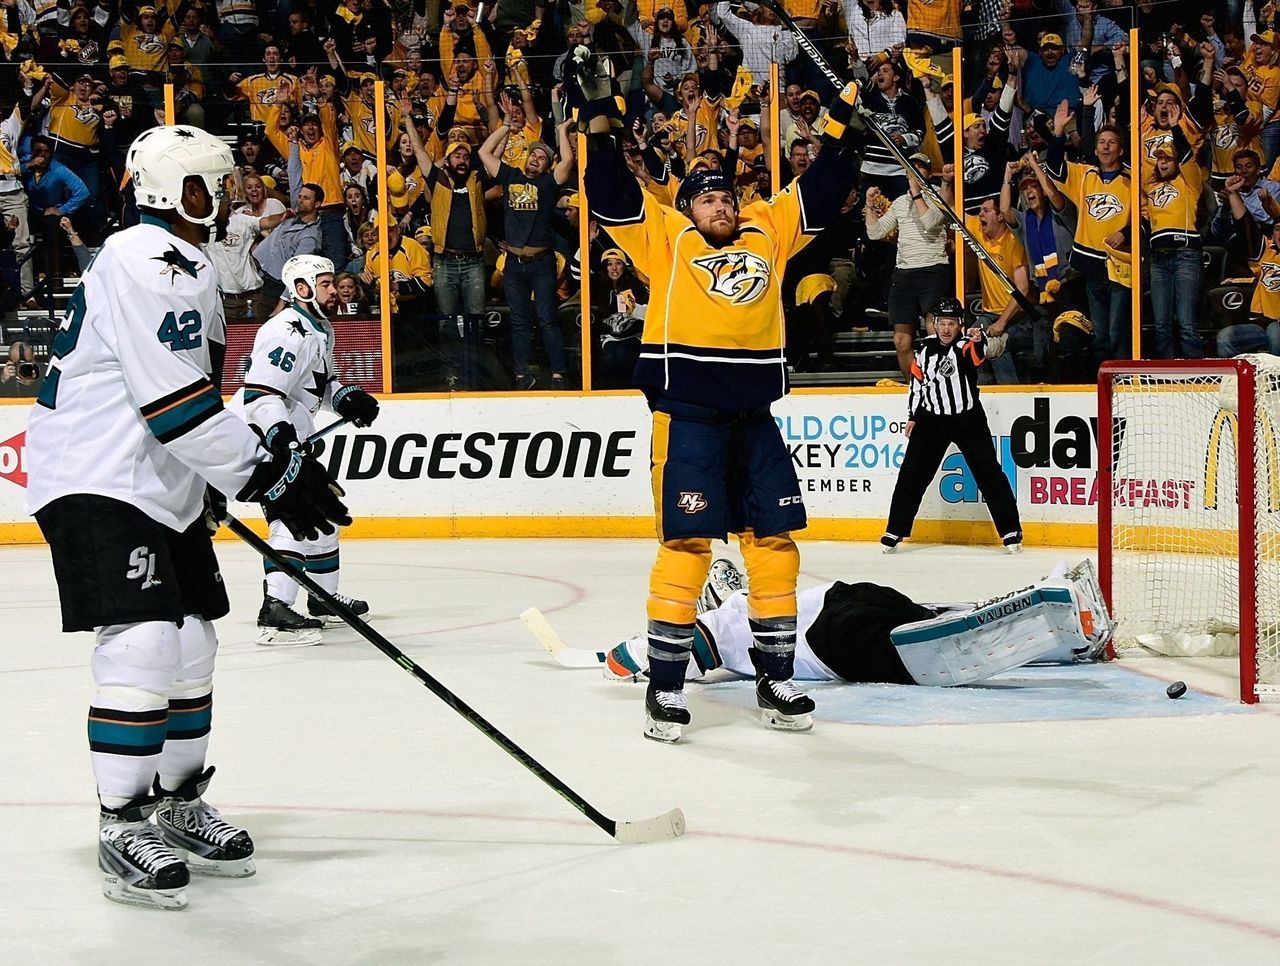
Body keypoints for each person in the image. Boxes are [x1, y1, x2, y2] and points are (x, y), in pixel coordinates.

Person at [24, 125, 350, 911]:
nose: (224, 197)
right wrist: (262, 473)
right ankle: (122, 817)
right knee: (141, 640)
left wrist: (213, 478)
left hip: (153, 475)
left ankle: (176, 800)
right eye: (207, 185)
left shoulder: (184, 263)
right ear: (169, 188)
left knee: (192, 641)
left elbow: (181, 397)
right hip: (99, 474)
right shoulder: (149, 258)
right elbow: (173, 404)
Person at [580, 48, 863, 742]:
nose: (721, 204)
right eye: (708, 196)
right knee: (686, 545)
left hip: (754, 416)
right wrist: (596, 127)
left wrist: (844, 128)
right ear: (687, 207)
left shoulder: (766, 229)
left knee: (774, 543)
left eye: (726, 195)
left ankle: (775, 677)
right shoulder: (669, 239)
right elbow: (611, 191)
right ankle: (666, 689)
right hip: (691, 417)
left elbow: (823, 190)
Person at [592, 558, 1112, 689]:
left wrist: (633, 658)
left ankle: (1049, 604)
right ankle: (1071, 642)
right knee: (944, 619)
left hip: (830, 643)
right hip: (849, 595)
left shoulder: (720, 620)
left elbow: (665, 650)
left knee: (951, 647)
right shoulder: (750, 596)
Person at [232, 254, 380, 645]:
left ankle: (323, 598)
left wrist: (348, 398)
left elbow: (322, 383)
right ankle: (277, 606)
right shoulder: (286, 331)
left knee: (322, 517)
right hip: (266, 436)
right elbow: (261, 393)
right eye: (326, 283)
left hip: (292, 432)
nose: (334, 290)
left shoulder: (320, 327)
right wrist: (281, 440)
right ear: (302, 288)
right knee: (291, 517)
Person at [881, 297, 1023, 554]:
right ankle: (895, 529)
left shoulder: (965, 345)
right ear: (934, 324)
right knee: (912, 474)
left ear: (959, 325)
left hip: (967, 419)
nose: (946, 329)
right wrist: (913, 415)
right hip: (931, 420)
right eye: (942, 323)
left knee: (989, 473)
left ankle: (1011, 531)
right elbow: (917, 384)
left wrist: (979, 339)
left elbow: (978, 355)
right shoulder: (923, 350)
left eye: (951, 323)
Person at [480, 118, 576, 390]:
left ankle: (559, 373)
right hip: (514, 265)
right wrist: (506, 128)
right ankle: (522, 376)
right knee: (520, 322)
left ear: (547, 165)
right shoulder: (511, 176)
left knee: (547, 319)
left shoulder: (548, 183)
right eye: (533, 154)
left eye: (542, 158)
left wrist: (560, 131)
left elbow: (567, 162)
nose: (536, 159)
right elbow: (484, 153)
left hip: (541, 262)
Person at [864, 152, 952, 376]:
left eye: (920, 167)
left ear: (928, 172)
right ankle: (913, 386)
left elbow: (931, 222)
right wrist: (870, 206)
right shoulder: (900, 203)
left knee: (935, 332)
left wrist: (916, 193)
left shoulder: (938, 196)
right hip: (904, 274)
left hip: (933, 269)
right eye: (911, 167)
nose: (915, 171)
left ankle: (940, 381)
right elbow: (875, 233)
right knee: (901, 340)